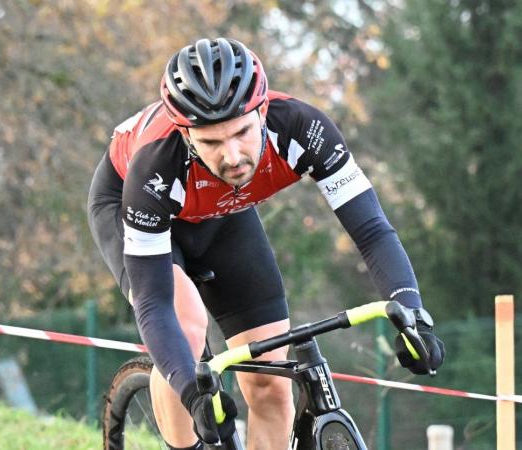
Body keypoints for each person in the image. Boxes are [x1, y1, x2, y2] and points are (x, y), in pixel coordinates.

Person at [88, 37, 444, 450]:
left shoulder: (303, 128)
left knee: (270, 381)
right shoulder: (155, 165)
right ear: (187, 137)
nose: (233, 156)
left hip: (223, 209)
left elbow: (372, 231)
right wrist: (192, 392)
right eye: (212, 142)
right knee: (185, 329)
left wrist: (413, 313)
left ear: (261, 112)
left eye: (241, 132)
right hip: (133, 205)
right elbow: (154, 303)